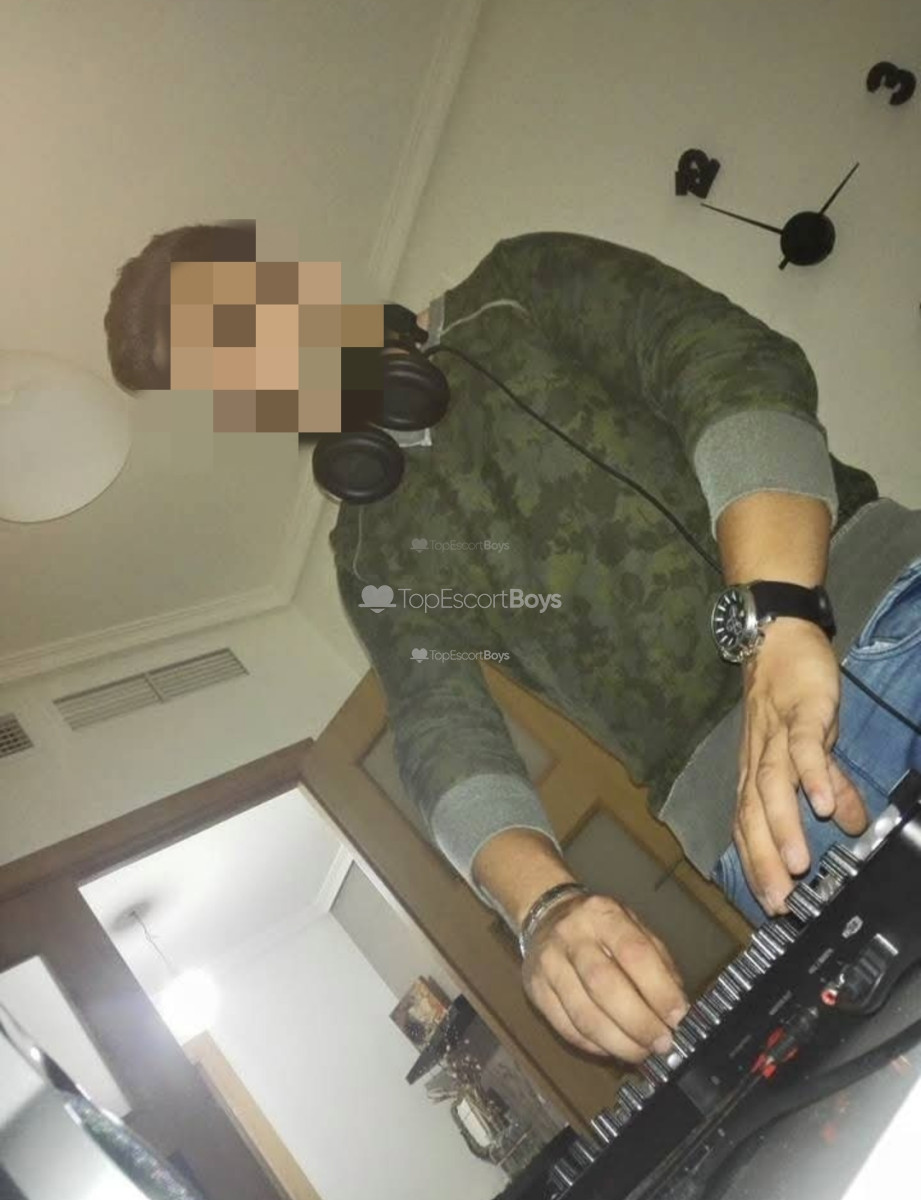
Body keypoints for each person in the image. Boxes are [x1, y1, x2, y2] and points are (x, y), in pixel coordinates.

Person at [105, 222, 921, 1065]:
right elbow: (439, 733)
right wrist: (542, 908)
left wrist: (776, 612)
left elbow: (723, 360)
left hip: (883, 620)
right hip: (759, 823)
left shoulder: (516, 284)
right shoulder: (365, 551)